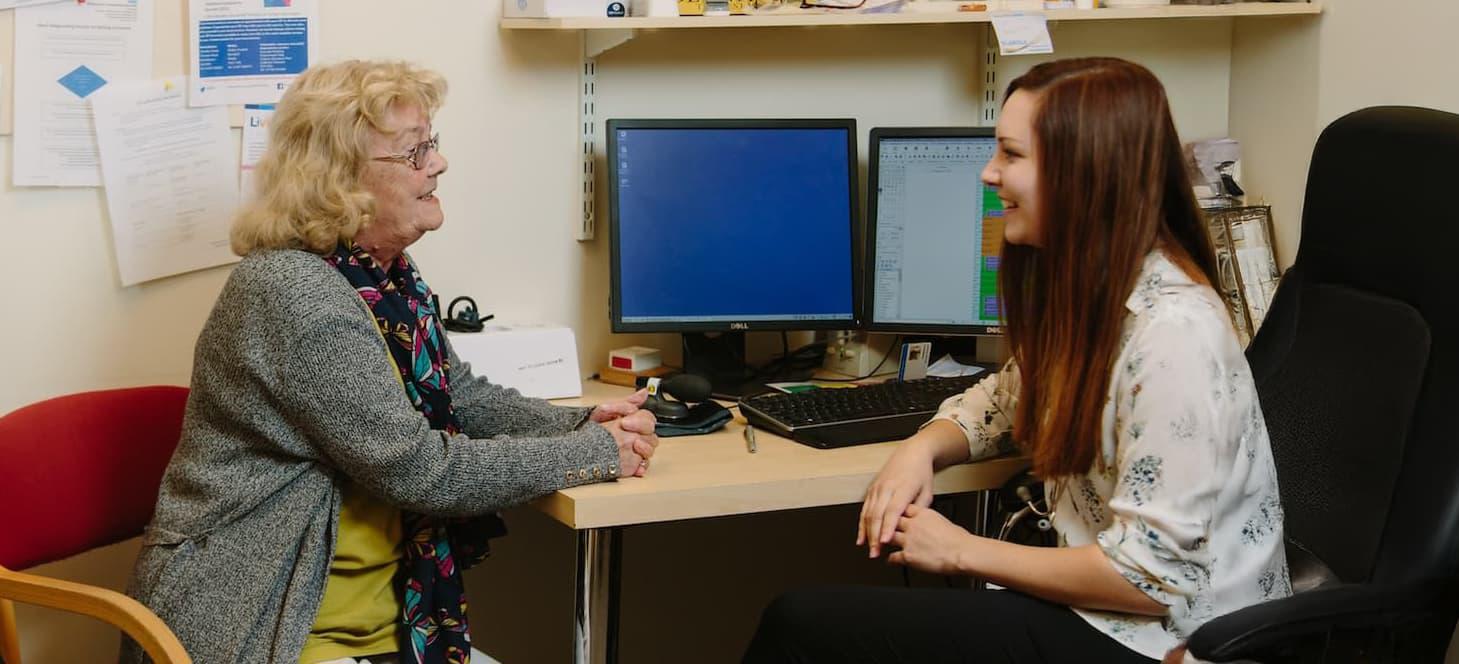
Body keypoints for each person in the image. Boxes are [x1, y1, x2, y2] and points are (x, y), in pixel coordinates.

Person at [743, 57, 1290, 664]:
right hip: (1102, 616)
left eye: (1011, 155)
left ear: (1084, 172)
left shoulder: (1173, 337)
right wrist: (920, 450)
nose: (988, 174)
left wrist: (960, 551)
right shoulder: (1096, 293)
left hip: (1169, 643)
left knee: (802, 627)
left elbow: (1150, 579)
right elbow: (1007, 399)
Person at [122, 60, 658, 664]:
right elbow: (421, 471)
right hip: (268, 630)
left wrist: (585, 423)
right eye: (413, 151)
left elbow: (462, 397)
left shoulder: (385, 280)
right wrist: (591, 454)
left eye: (432, 143)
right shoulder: (291, 292)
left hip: (379, 628)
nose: (439, 163)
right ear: (338, 179)